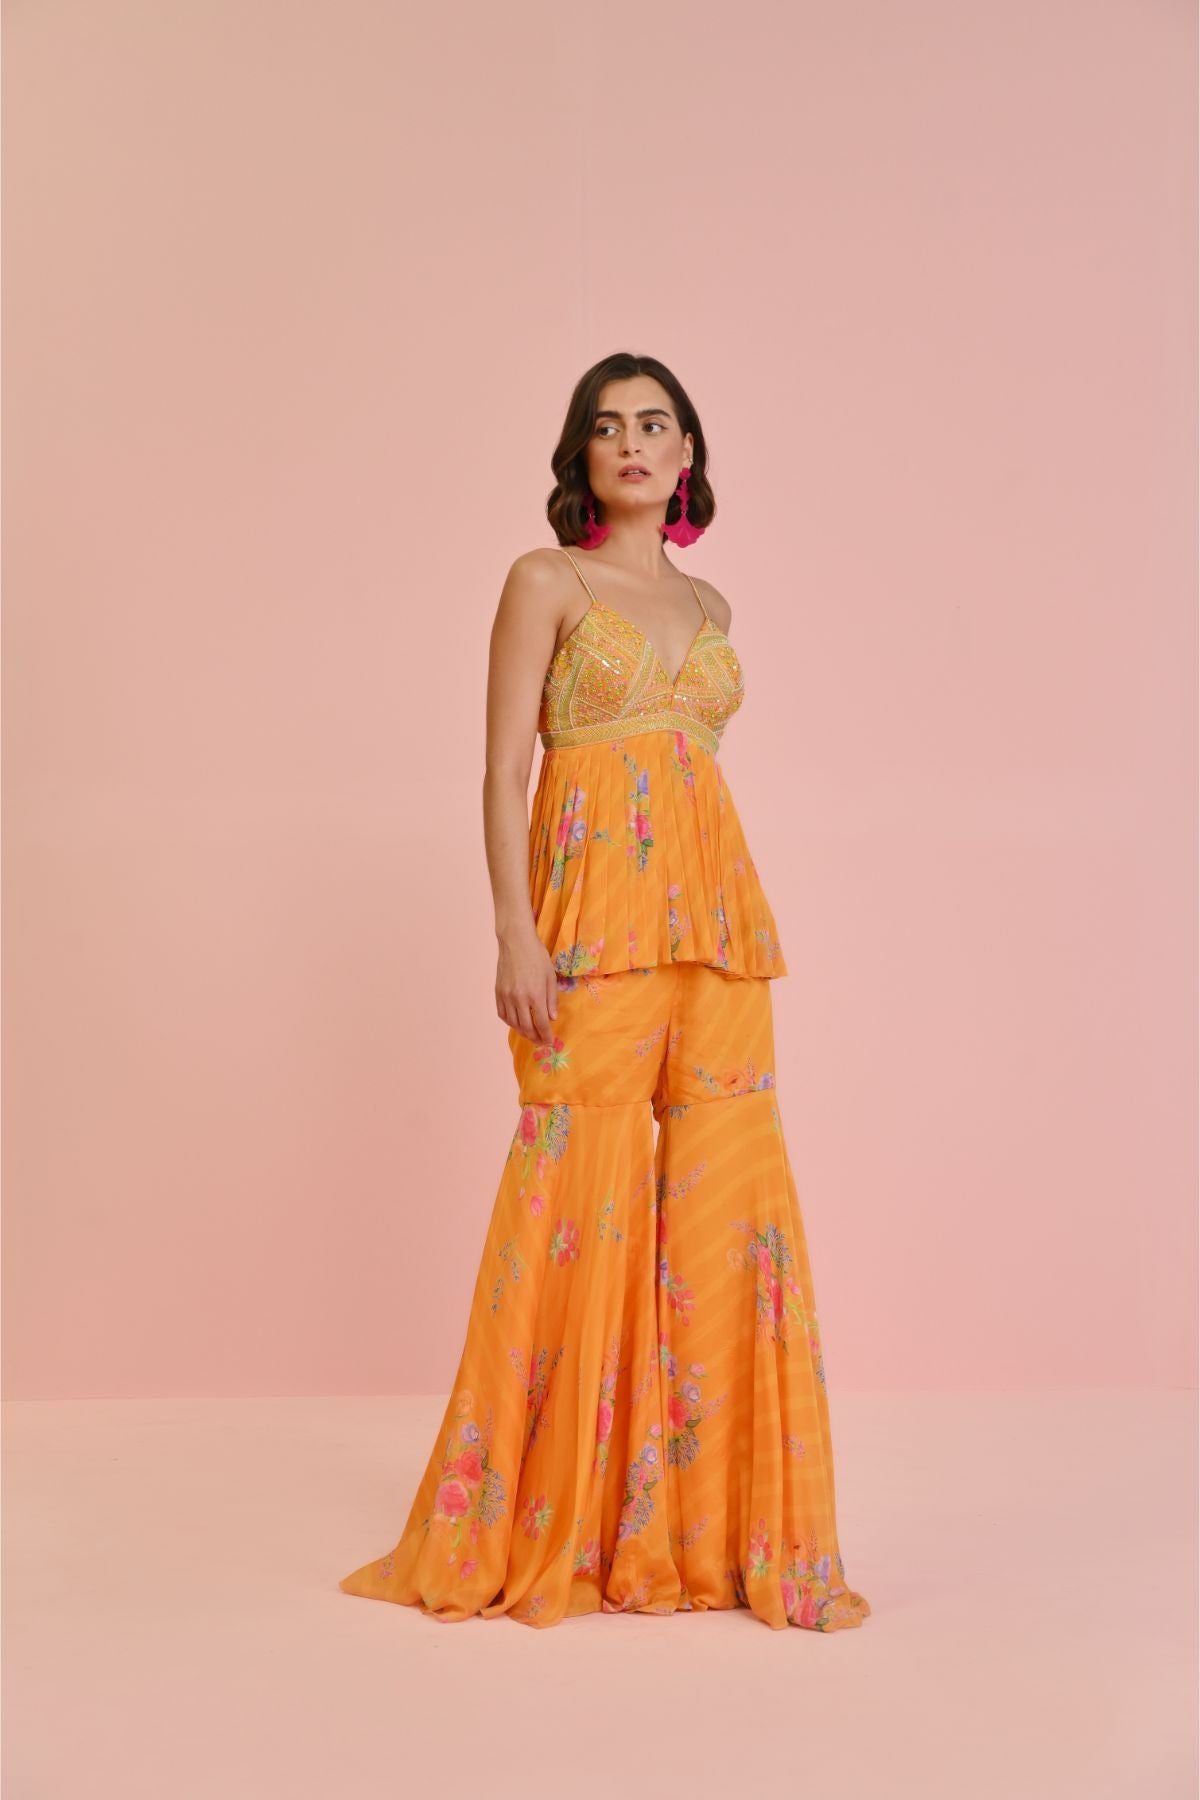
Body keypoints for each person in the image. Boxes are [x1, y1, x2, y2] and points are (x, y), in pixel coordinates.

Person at [338, 351, 871, 1631]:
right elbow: (501, 771)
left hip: (720, 932)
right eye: (608, 425)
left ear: (688, 455)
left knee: (726, 1210)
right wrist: (513, 932)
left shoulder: (714, 605)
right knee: (579, 1191)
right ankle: (551, 1518)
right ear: (582, 454)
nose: (632, 441)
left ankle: (708, 1534)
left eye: (655, 423)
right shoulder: (546, 581)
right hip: (592, 928)